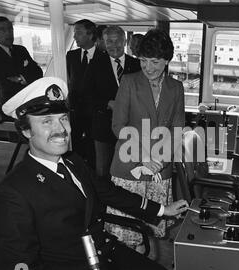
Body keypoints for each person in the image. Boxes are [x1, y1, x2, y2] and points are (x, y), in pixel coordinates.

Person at [0, 77, 199, 270]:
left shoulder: (72, 161)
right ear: (26, 131)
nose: (61, 129)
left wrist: (162, 210)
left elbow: (108, 192)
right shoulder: (12, 193)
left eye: (63, 119)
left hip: (105, 254)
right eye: (47, 122)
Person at [108, 29, 185, 257]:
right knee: (127, 233)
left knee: (149, 229)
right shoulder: (129, 82)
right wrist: (144, 156)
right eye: (143, 60)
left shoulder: (176, 88)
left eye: (155, 61)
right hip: (129, 167)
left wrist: (161, 161)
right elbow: (118, 126)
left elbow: (177, 130)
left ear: (167, 60)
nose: (148, 67)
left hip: (160, 170)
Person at [90, 26, 141, 177]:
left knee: (130, 169)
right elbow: (86, 95)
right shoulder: (95, 65)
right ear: (104, 43)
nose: (114, 45)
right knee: (103, 170)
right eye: (109, 41)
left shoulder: (137, 65)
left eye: (117, 41)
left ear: (125, 41)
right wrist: (107, 103)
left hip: (132, 129)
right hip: (103, 128)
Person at [0, 16, 43, 123]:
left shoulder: (21, 50)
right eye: (2, 30)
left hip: (30, 109)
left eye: (10, 29)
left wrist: (20, 78)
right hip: (7, 112)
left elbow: (38, 73)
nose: (8, 33)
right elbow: (3, 85)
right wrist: (28, 79)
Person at [67, 20, 99, 169]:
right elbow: (69, 81)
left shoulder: (103, 56)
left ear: (90, 34)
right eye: (74, 33)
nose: (74, 36)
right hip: (75, 112)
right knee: (75, 148)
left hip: (95, 113)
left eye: (78, 33)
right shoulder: (71, 56)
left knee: (94, 151)